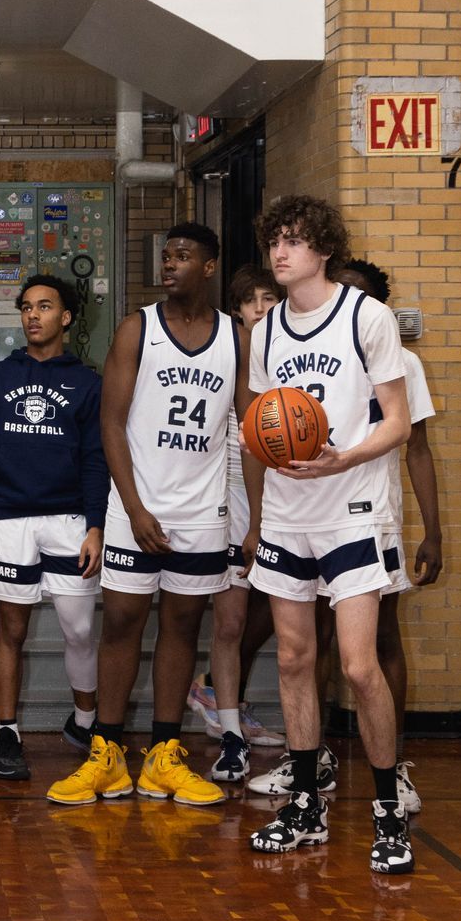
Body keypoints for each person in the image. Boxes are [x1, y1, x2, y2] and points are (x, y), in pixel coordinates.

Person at [241, 193, 414, 875]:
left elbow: (397, 421)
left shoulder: (366, 317)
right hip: (289, 509)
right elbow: (260, 423)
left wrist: (343, 456)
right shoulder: (267, 330)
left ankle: (387, 809)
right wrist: (258, 510)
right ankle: (307, 804)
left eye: (294, 240)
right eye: (274, 241)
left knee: (356, 664)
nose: (281, 252)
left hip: (353, 504)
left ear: (323, 248)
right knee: (290, 657)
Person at [49, 221, 240, 810]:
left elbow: (249, 426)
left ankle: (163, 755)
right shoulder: (138, 329)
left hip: (203, 510)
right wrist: (132, 508)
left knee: (182, 628)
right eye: (166, 255)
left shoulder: (239, 337)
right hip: (138, 505)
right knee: (123, 625)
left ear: (209, 266)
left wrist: (251, 523)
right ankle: (105, 753)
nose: (170, 264)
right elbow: (110, 423)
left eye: (183, 256)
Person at [0, 275, 106, 781]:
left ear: (66, 318)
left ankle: (85, 721)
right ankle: (8, 732)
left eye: (44, 306)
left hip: (69, 521)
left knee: (80, 629)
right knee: (11, 630)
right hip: (12, 520)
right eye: (25, 307)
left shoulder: (87, 383)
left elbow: (95, 458)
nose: (32, 315)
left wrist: (96, 525)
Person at [337, 259, 442, 817]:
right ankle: (315, 758)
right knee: (311, 642)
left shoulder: (403, 362)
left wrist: (434, 530)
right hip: (314, 513)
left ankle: (393, 761)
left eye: (364, 297)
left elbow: (418, 449)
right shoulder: (311, 352)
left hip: (376, 514)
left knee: (382, 640)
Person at [190, 263, 282, 781]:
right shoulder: (225, 350)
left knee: (277, 616)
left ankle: (234, 710)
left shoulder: (289, 353)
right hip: (224, 497)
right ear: (238, 310)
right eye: (253, 301)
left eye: (271, 299)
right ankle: (230, 732)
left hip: (282, 498)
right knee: (229, 621)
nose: (262, 309)